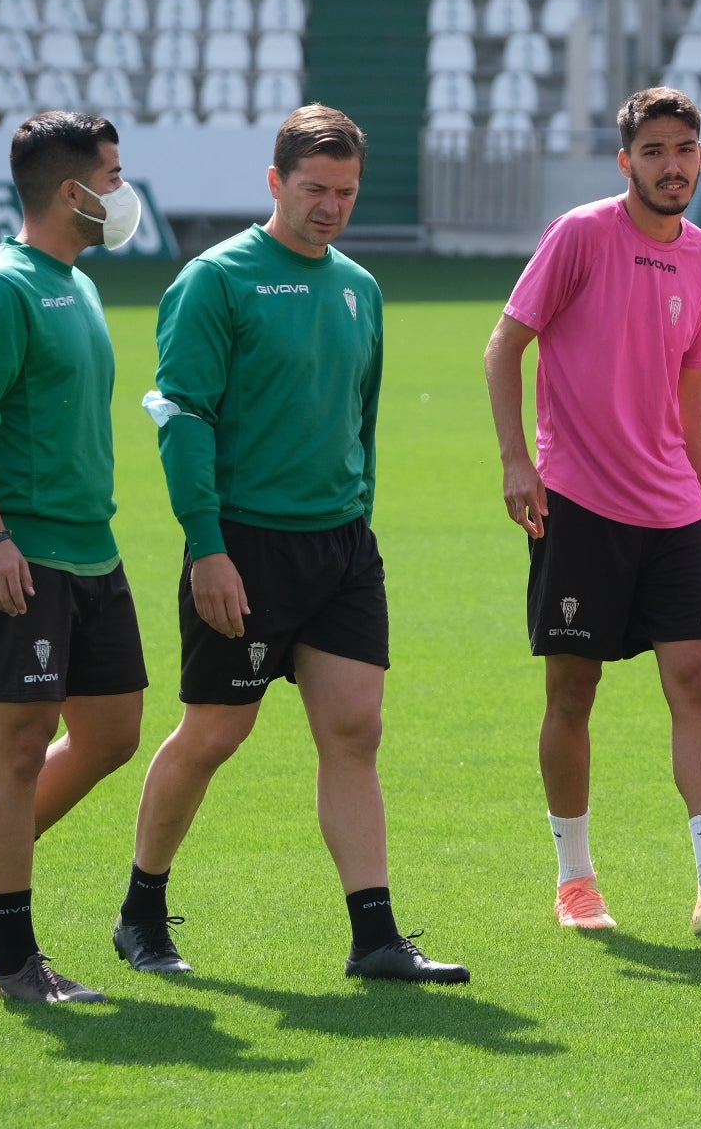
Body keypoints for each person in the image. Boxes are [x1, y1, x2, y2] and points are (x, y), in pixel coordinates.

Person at [115, 104, 467, 985]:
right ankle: (140, 912)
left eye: (346, 192)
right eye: (314, 190)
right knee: (214, 734)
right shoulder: (216, 280)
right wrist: (207, 547)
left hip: (342, 547)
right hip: (244, 547)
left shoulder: (360, 287)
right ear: (275, 183)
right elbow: (183, 419)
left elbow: (363, 418)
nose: (331, 207)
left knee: (355, 731)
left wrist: (359, 517)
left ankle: (375, 938)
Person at [483, 87, 701, 938]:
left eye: (685, 150)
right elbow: (504, 345)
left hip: (673, 514)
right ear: (626, 161)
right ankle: (575, 878)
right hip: (579, 504)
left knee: (698, 679)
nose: (672, 165)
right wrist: (519, 461)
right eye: (655, 151)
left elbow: (693, 393)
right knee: (572, 690)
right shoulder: (583, 233)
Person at [0, 111, 148, 1004]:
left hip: (92, 552)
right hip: (17, 557)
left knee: (112, 734)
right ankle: (18, 964)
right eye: (115, 175)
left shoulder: (74, 282)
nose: (124, 193)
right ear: (72, 191)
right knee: (15, 754)